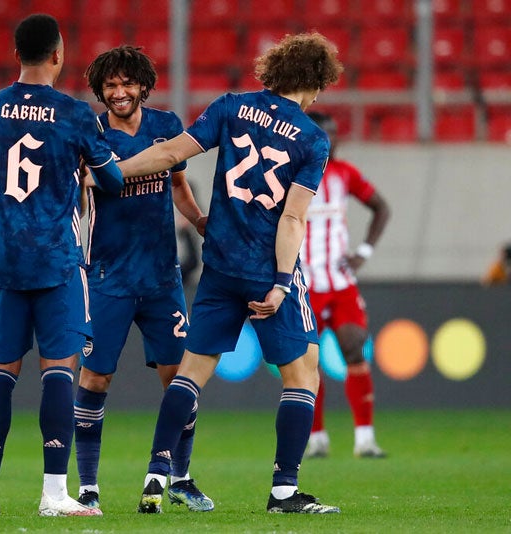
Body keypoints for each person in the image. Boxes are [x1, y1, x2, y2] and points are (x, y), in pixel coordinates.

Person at [116, 32, 344, 514]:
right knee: (303, 376)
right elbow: (291, 218)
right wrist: (283, 283)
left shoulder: (231, 107)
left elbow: (167, 155)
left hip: (219, 266)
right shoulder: (312, 138)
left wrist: (109, 171)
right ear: (317, 80)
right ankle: (284, 492)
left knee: (191, 375)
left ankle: (156, 478)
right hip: (265, 270)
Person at [0, 14, 124, 518]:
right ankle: (53, 494)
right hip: (57, 260)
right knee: (59, 371)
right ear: (59, 55)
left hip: (2, 259)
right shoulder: (75, 114)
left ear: (15, 53)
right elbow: (110, 182)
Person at [73, 45, 211, 513]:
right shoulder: (89, 133)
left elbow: (175, 183)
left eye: (127, 83)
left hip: (160, 277)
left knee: (181, 380)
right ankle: (88, 488)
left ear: (143, 86)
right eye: (110, 85)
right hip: (107, 276)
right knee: (94, 378)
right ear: (100, 91)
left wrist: (197, 221)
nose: (119, 92)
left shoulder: (166, 127)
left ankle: (181, 477)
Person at [300, 111, 391, 459]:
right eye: (326, 134)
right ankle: (316, 437)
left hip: (340, 283)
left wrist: (363, 252)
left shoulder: (346, 174)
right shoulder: (291, 174)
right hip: (304, 283)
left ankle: (365, 438)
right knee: (306, 363)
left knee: (354, 345)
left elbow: (381, 208)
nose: (333, 140)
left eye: (336, 133)